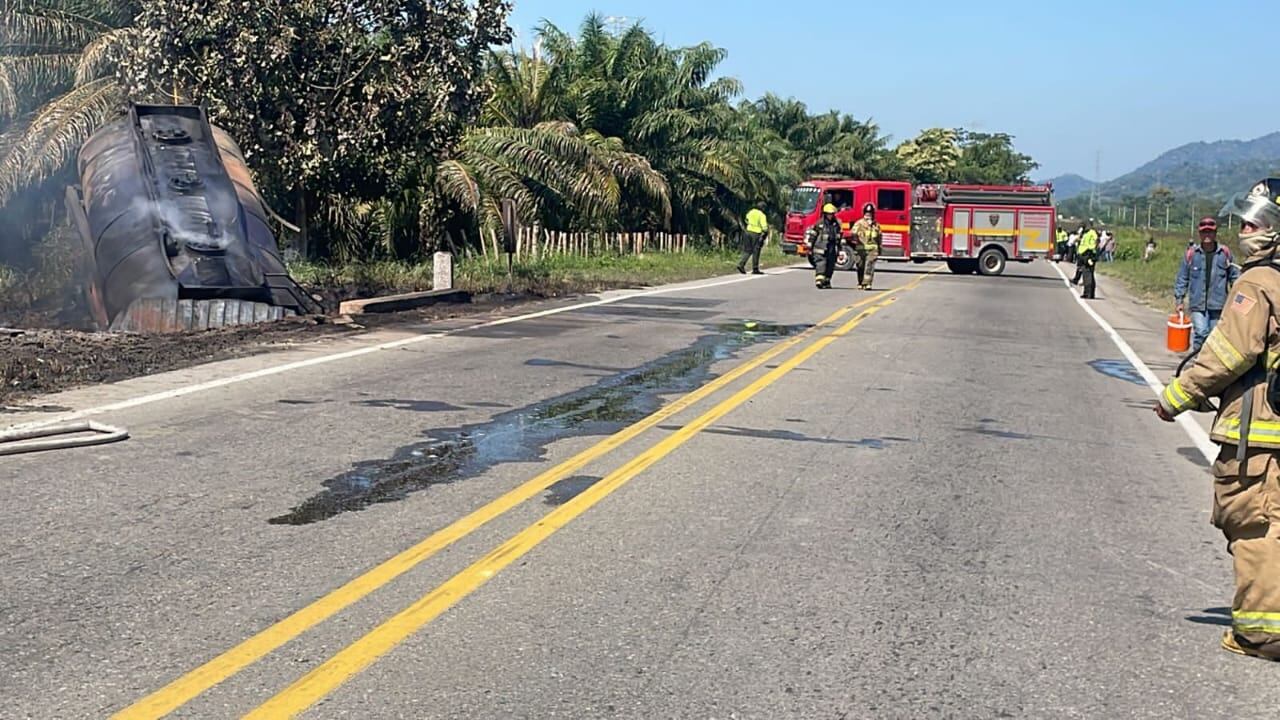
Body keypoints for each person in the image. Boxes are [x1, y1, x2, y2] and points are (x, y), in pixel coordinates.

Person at [1155, 179, 1280, 661]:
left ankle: (1261, 634)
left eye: (1254, 222)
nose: (1244, 229)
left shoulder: (1257, 281)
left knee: (1254, 524)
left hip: (1262, 433)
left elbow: (1230, 353)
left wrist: (1175, 397)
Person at [1174, 216, 1239, 352]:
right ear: (1200, 234)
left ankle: (1209, 365)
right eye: (1204, 232)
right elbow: (1182, 278)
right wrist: (1179, 300)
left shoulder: (1225, 254)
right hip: (1198, 303)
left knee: (1214, 336)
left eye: (1210, 232)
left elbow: (1235, 278)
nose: (1207, 235)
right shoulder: (1192, 254)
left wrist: (1237, 301)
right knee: (1201, 332)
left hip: (1218, 303)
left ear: (1215, 234)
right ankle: (1198, 361)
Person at [807, 203, 842, 289]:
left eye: (831, 214)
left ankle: (826, 281)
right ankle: (819, 280)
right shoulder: (819, 224)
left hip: (831, 247)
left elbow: (839, 236)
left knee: (830, 265)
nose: (830, 216)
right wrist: (810, 246)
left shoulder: (836, 224)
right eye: (828, 214)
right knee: (821, 263)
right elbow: (813, 235)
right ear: (825, 214)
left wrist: (840, 249)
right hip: (820, 247)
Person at [851, 203, 882, 290]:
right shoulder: (859, 223)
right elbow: (853, 233)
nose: (868, 215)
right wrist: (854, 239)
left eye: (870, 213)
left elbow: (879, 236)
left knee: (869, 266)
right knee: (860, 266)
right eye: (867, 213)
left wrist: (880, 247)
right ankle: (861, 282)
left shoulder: (876, 225)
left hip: (872, 250)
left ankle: (867, 283)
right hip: (861, 249)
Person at [738, 204, 768, 275]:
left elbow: (746, 219)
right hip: (756, 234)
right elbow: (764, 227)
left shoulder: (751, 212)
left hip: (747, 232)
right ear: (763, 208)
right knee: (756, 251)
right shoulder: (762, 215)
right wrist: (765, 233)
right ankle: (755, 268)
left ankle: (741, 264)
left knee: (748, 250)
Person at [1077, 226, 1099, 298]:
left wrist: (1089, 254)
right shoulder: (1086, 234)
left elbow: (1094, 243)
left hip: (1088, 254)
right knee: (1087, 274)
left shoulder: (1092, 233)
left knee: (1087, 274)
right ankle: (1089, 293)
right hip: (1085, 254)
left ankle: (1088, 293)